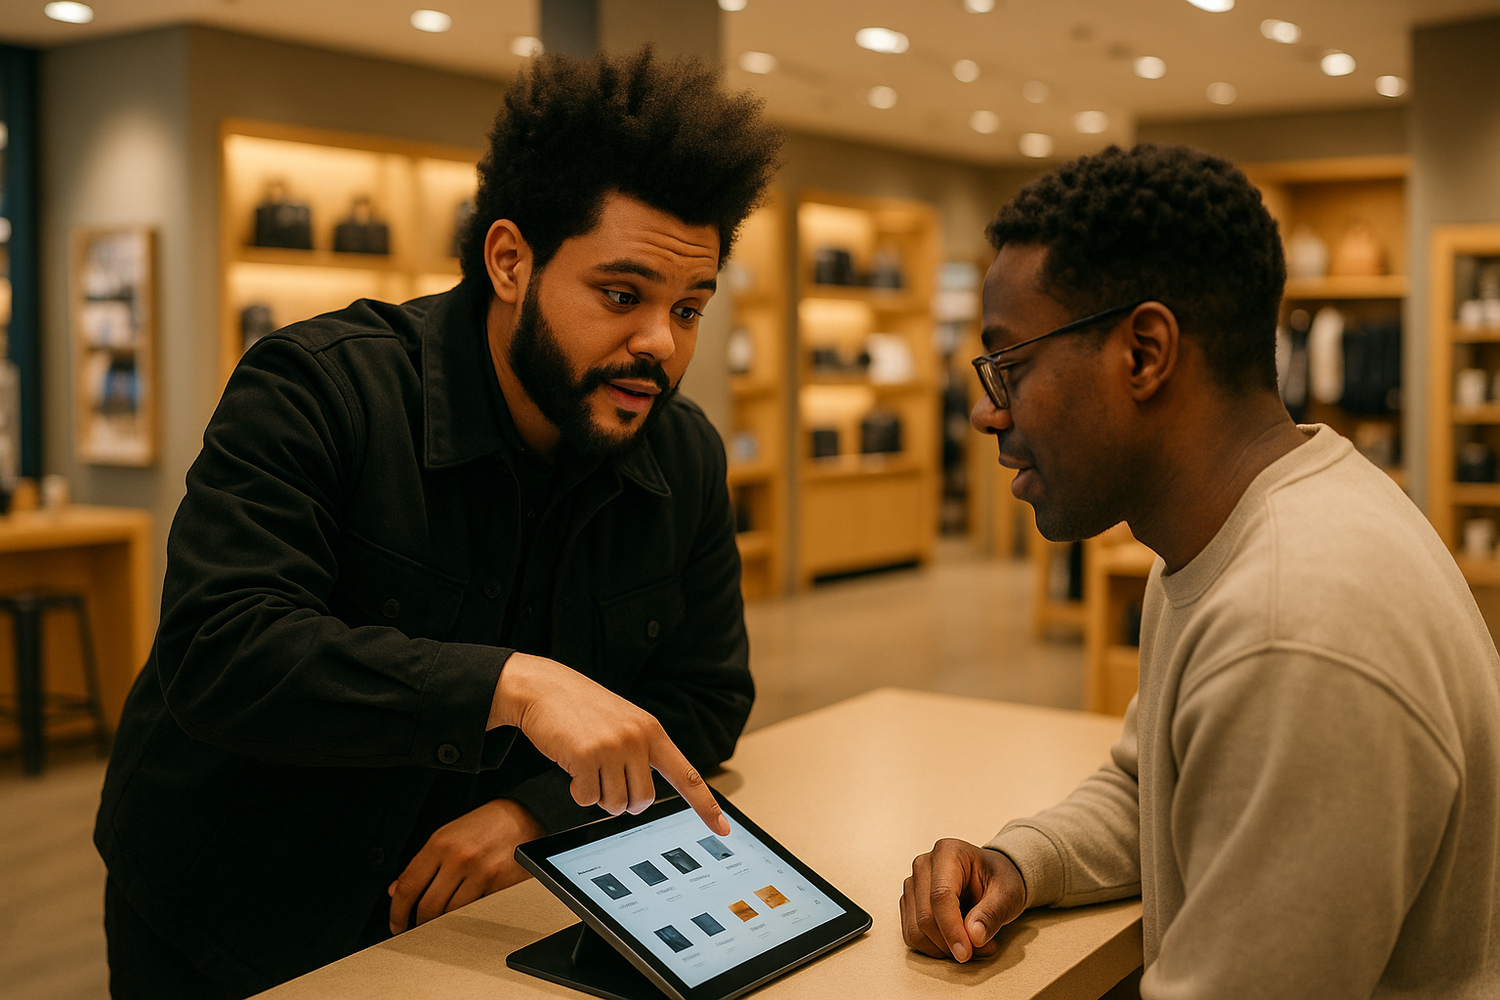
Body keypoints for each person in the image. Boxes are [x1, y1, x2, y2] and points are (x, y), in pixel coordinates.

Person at [95, 48, 782, 999]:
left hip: (471, 931)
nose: (661, 343)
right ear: (510, 260)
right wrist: (511, 684)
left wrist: (531, 813)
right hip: (232, 913)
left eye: (690, 307)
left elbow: (705, 701)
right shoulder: (319, 387)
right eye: (622, 296)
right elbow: (223, 649)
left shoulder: (686, 455)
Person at [901, 144, 1500, 998]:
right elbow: (1156, 786)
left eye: (1012, 365)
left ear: (1145, 352)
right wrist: (1021, 861)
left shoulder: (1291, 625)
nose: (986, 410)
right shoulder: (1234, 531)